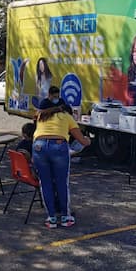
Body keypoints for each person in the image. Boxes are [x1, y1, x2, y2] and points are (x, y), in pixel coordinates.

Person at [32, 98, 91, 229]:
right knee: (61, 183)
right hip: (58, 146)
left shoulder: (42, 115)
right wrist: (88, 141)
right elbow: (81, 139)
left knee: (45, 184)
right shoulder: (66, 117)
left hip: (38, 147)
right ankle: (65, 217)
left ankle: (51, 218)